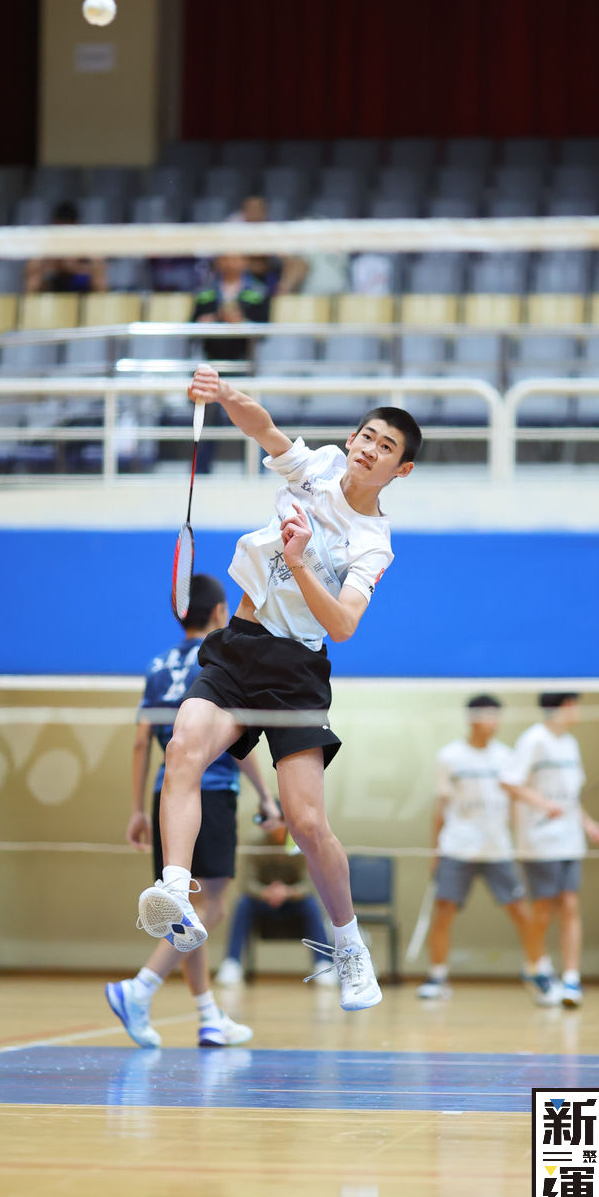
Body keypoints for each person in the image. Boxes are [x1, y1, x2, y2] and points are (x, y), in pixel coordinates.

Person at [137, 363, 421, 1012]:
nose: (369, 448)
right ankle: (176, 891)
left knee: (307, 822)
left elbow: (343, 625)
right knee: (182, 748)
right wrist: (223, 394)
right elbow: (263, 428)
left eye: (385, 447)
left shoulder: (373, 542)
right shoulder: (317, 467)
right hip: (239, 645)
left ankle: (348, 947)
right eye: (366, 436)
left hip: (296, 670)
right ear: (351, 439)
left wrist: (298, 562)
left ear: (400, 470)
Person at [106, 573, 280, 1048]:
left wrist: (136, 809)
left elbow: (141, 740)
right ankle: (140, 988)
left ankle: (208, 1015)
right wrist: (267, 797)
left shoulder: (158, 666)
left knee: (184, 908)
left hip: (166, 796)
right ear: (221, 612)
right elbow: (237, 739)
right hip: (212, 792)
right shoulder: (222, 657)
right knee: (209, 906)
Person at [418, 694, 563, 1007]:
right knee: (443, 913)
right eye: (488, 716)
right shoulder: (449, 757)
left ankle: (538, 970)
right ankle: (437, 977)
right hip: (457, 846)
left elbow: (515, 805)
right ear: (472, 719)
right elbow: (441, 807)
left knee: (522, 913)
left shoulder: (507, 757)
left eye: (497, 716)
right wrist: (436, 851)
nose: (494, 723)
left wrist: (522, 842)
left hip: (498, 848)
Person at [500, 692, 599, 1009]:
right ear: (565, 706)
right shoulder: (533, 739)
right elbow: (509, 782)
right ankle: (534, 966)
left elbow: (572, 797)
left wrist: (588, 823)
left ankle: (571, 977)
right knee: (543, 909)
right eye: (576, 705)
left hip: (571, 839)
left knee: (571, 905)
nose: (578, 711)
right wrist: (543, 804)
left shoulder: (570, 744)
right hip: (540, 839)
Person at [216, 811, 337, 986]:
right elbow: (247, 883)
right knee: (242, 904)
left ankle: (323, 964)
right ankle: (232, 963)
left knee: (312, 904)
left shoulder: (301, 841)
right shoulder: (255, 842)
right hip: (263, 902)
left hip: (293, 903)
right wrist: (266, 892)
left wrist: (287, 892)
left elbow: (309, 883)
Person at [192, 253, 271, 362]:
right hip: (210, 355)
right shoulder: (205, 291)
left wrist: (241, 323)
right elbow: (192, 326)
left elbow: (264, 330)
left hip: (244, 358)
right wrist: (215, 317)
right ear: (218, 261)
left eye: (235, 259)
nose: (230, 263)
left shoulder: (259, 292)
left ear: (245, 261)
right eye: (225, 258)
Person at [23, 200, 108, 294]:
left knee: (98, 275)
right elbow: (31, 268)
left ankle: (99, 303)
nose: (64, 233)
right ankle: (30, 303)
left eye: (67, 228)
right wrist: (54, 266)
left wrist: (76, 268)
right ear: (55, 224)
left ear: (75, 225)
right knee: (34, 276)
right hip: (54, 283)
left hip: (79, 283)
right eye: (61, 227)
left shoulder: (86, 243)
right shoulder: (46, 244)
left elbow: (99, 268)